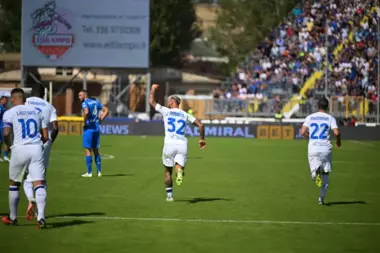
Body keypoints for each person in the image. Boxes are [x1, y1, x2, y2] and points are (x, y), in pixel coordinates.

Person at [149, 84, 206, 202]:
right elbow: (201, 125)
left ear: (170, 102)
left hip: (169, 144)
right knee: (179, 167)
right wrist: (201, 139)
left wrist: (153, 89)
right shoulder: (185, 114)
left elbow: (151, 101)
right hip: (182, 144)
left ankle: (169, 196)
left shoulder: (166, 111)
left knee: (167, 172)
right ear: (178, 103)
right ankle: (179, 170)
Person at [1, 88, 49, 228]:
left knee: (14, 184)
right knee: (39, 183)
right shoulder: (37, 111)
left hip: (19, 149)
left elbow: (6, 132)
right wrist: (37, 145)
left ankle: (13, 217)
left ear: (14, 98)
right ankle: (41, 218)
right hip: (36, 149)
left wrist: (9, 145)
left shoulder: (9, 113)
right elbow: (45, 136)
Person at [23, 86, 59, 221]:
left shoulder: (25, 102)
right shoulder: (49, 106)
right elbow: (55, 128)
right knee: (41, 178)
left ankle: (30, 200)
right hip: (43, 143)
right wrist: (49, 143)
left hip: (27, 142)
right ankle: (40, 215)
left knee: (27, 179)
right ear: (44, 93)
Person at [300, 98, 341, 205]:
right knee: (326, 174)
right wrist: (338, 142)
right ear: (327, 107)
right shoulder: (330, 118)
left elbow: (302, 132)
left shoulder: (310, 117)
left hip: (313, 147)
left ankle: (316, 173)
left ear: (317, 106)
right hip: (325, 148)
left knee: (314, 173)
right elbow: (336, 133)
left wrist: (310, 136)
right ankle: (321, 199)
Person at [79, 90, 109, 177]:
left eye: (80, 95)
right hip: (96, 129)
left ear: (85, 95)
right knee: (96, 150)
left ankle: (89, 172)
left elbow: (86, 112)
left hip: (89, 129)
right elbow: (106, 110)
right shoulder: (96, 102)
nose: (79, 97)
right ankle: (99, 172)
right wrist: (102, 118)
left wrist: (84, 122)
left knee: (88, 149)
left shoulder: (85, 103)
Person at [0, 96, 11, 162]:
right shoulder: (0, 107)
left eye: (6, 100)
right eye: (3, 100)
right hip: (1, 127)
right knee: (1, 142)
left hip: (4, 127)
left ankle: (5, 155)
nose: (5, 102)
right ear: (0, 100)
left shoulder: (4, 108)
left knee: (7, 141)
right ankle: (5, 155)